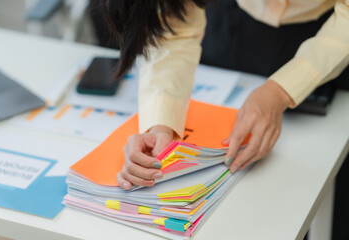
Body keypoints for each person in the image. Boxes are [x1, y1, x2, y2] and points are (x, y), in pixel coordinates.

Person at [99, 0, 349, 190]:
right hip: (231, 20)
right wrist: (160, 125)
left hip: (331, 31)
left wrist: (281, 90)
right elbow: (177, 30)